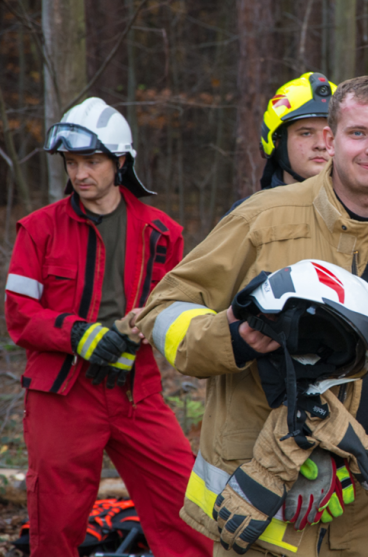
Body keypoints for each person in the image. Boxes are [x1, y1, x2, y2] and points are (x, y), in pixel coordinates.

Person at [136, 75, 368, 557]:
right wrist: (236, 339)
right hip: (271, 491)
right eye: (358, 134)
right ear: (331, 141)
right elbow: (163, 309)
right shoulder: (263, 220)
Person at [4, 97, 212, 557]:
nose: (80, 173)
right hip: (62, 392)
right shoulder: (39, 230)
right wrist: (78, 334)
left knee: (186, 504)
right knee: (55, 523)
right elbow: (19, 314)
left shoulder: (162, 232)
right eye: (72, 162)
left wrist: (150, 322)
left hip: (136, 391)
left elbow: (176, 306)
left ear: (120, 161)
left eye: (92, 162)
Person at [227, 71, 336, 214]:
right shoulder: (246, 217)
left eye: (331, 135)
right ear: (277, 141)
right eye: (306, 133)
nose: (321, 145)